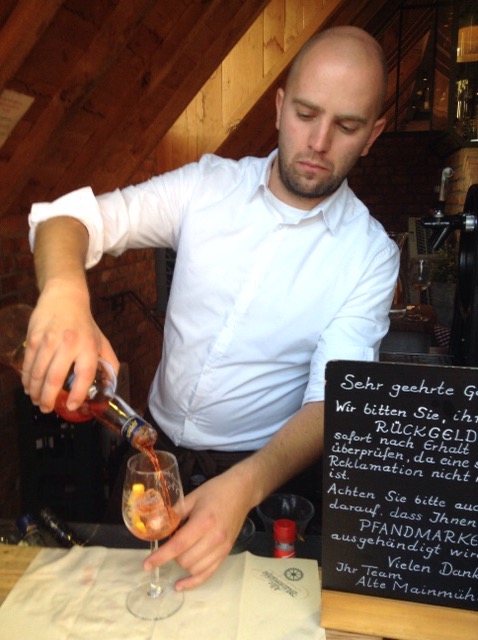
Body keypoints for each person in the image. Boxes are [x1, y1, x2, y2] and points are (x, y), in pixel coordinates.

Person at [25, 26, 398, 590]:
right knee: (125, 600)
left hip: (261, 478)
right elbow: (68, 219)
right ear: (278, 107)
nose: (319, 142)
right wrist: (65, 295)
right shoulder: (206, 186)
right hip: (153, 453)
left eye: (346, 126)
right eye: (305, 114)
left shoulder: (370, 254)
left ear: (373, 134)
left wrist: (247, 485)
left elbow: (331, 399)